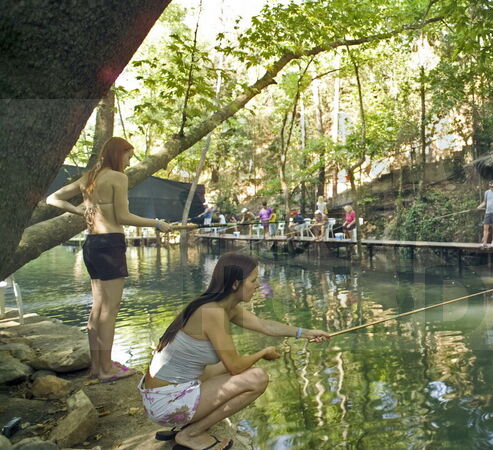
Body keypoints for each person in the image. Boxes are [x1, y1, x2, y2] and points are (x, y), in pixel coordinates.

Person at [139, 252, 329, 450]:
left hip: (160, 395)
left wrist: (305, 332)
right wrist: (263, 352)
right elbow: (236, 367)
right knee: (257, 378)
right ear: (235, 284)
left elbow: (265, 325)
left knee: (221, 366)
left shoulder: (222, 306)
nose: (258, 285)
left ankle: (187, 423)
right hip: (165, 403)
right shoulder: (213, 313)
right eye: (253, 280)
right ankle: (191, 434)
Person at [46, 137, 173, 382]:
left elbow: (53, 198)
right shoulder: (118, 177)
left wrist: (81, 211)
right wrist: (157, 223)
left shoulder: (90, 177)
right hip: (111, 245)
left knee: (97, 308)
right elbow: (123, 216)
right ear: (117, 154)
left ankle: (97, 366)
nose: (129, 161)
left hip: (92, 244)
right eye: (127, 155)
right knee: (110, 310)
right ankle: (106, 368)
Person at [477, 181, 493, 248]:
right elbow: (485, 202)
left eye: (492, 186)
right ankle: (484, 242)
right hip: (487, 212)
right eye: (490, 186)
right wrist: (479, 207)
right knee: (485, 228)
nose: (491, 187)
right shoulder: (486, 192)